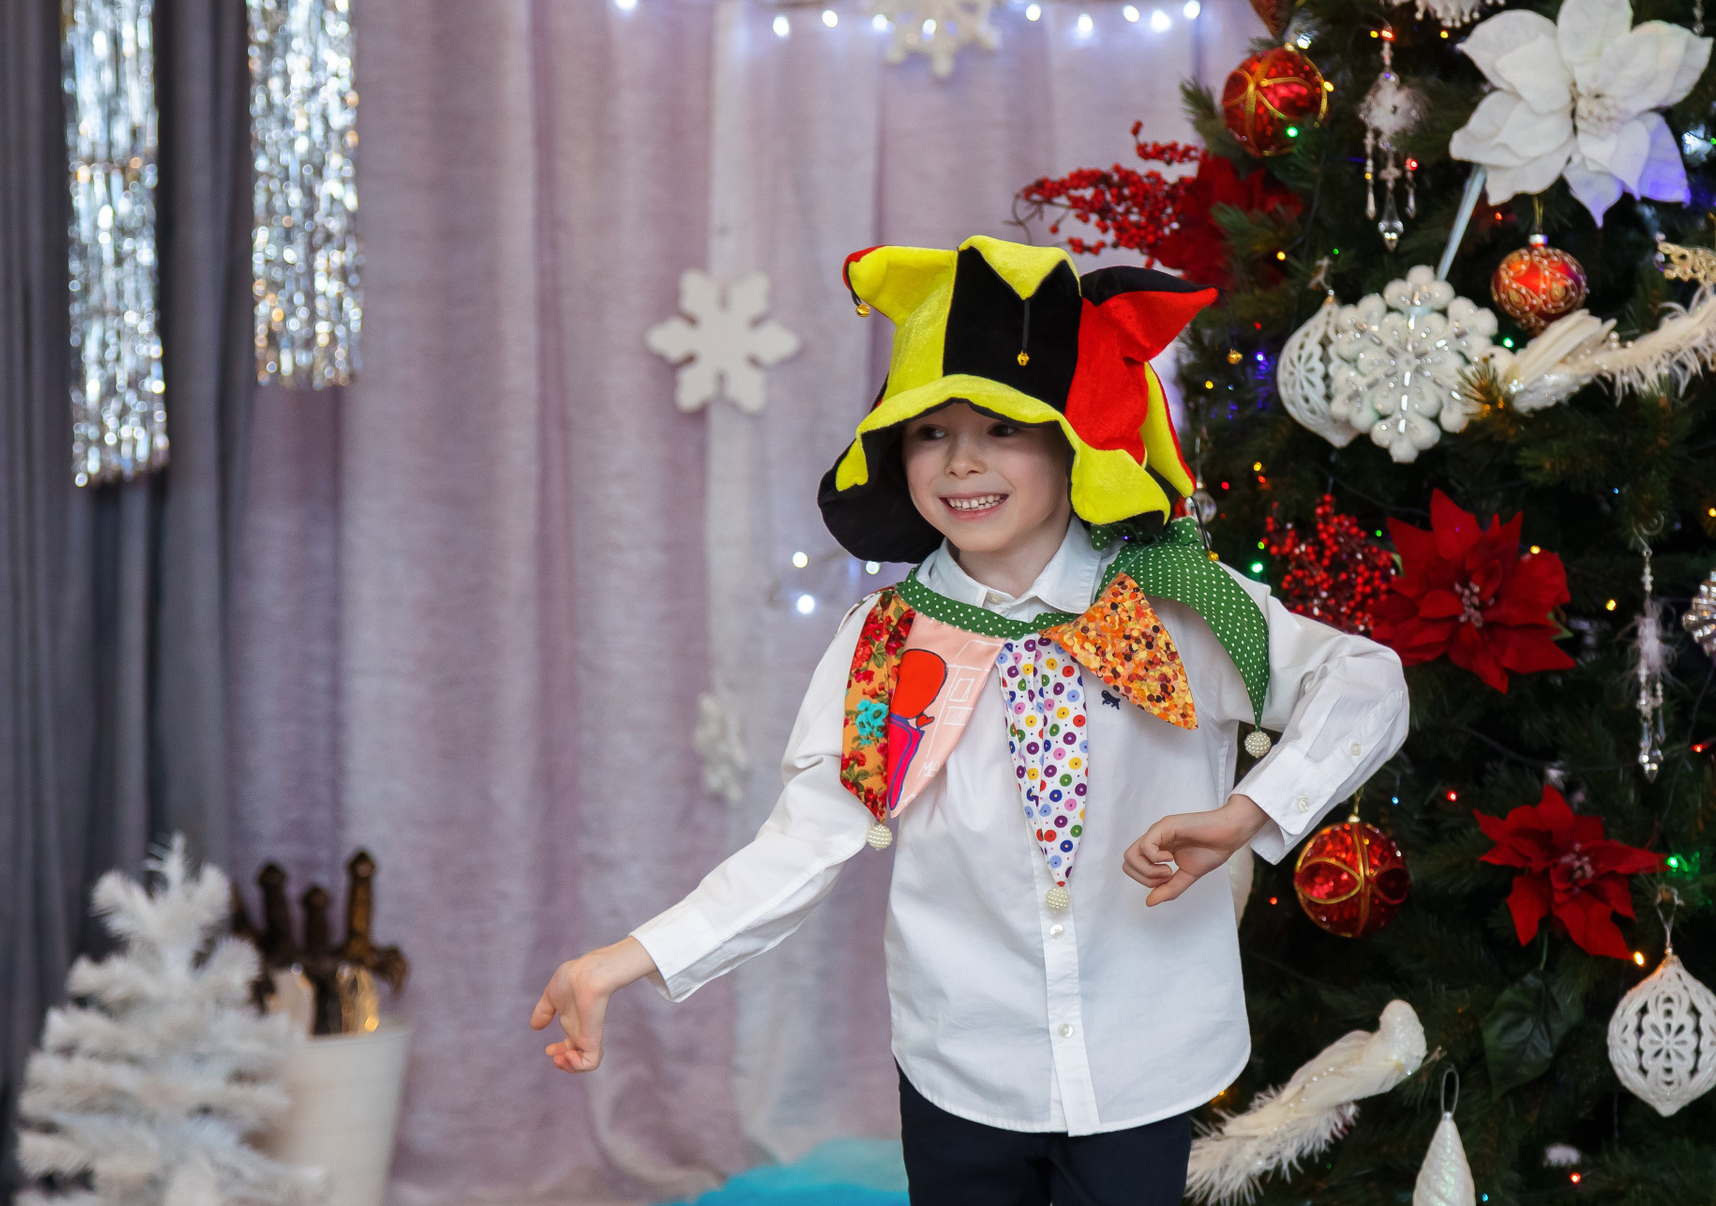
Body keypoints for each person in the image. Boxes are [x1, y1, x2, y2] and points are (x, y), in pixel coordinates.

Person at [531, 236, 1409, 1206]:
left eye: (1001, 427)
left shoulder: (1180, 603)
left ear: (1072, 440)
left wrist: (1249, 814)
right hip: (962, 1068)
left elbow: (1366, 680)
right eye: (930, 432)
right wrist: (627, 959)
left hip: (1145, 1054)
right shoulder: (885, 643)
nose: (961, 461)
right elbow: (807, 837)